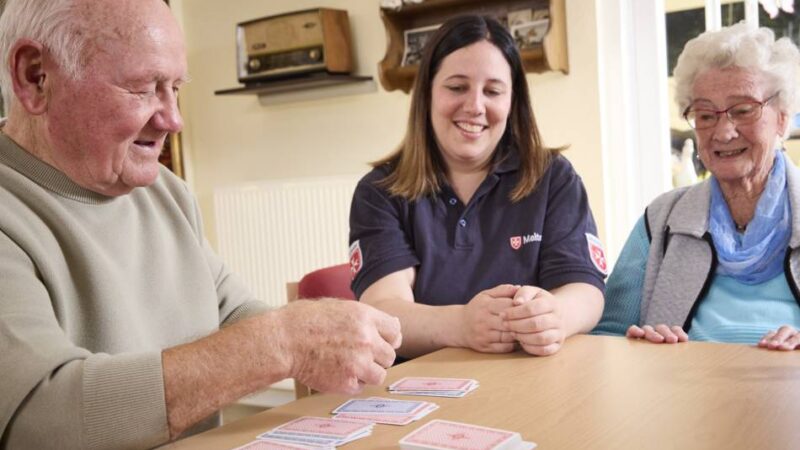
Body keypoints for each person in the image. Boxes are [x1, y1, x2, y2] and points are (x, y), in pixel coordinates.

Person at [0, 0, 402, 448]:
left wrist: (320, 338)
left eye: (175, 87)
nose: (173, 118)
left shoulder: (165, 192)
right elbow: (41, 416)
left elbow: (233, 316)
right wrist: (284, 343)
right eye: (143, 88)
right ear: (35, 76)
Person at [348, 15, 606, 360]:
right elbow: (384, 311)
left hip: (533, 380)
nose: (475, 107)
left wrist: (556, 316)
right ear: (427, 93)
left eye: (493, 91)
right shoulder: (379, 191)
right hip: (424, 387)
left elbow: (585, 290)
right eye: (456, 87)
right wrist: (461, 325)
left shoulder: (554, 178)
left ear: (513, 101)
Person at [594, 23, 800, 350]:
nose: (723, 132)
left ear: (782, 118)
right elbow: (608, 336)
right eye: (706, 116)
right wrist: (638, 345)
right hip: (683, 392)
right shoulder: (661, 219)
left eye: (743, 110)